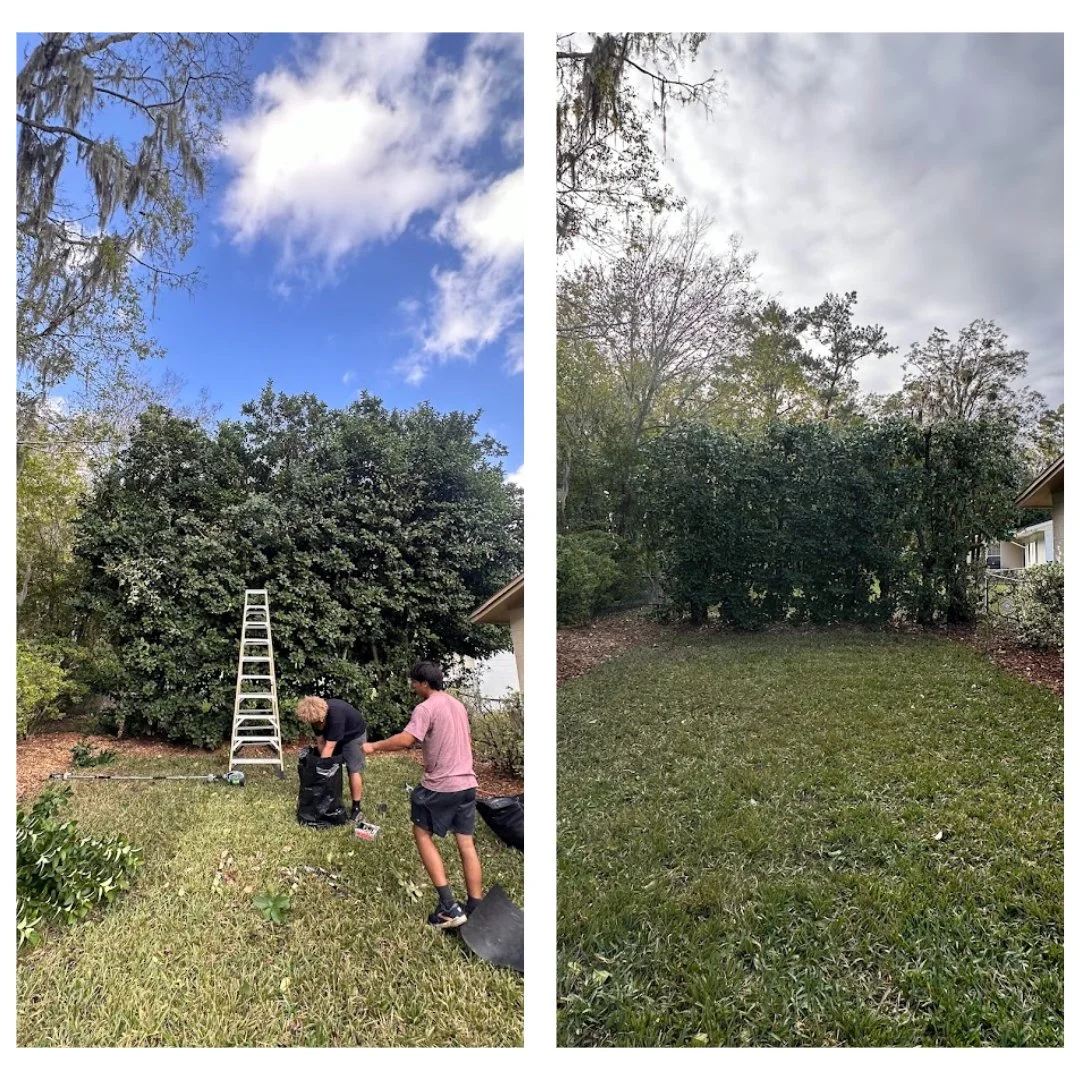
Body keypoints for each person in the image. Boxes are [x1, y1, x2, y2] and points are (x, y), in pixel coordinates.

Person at [363, 661, 483, 929]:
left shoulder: (426, 707)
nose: (413, 687)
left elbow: (407, 740)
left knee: (421, 832)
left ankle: (449, 907)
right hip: (467, 783)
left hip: (441, 785)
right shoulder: (457, 705)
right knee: (466, 843)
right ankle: (475, 905)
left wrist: (373, 746)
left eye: (414, 683)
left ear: (424, 684)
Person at [296, 695, 366, 823]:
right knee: (330, 765)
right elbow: (321, 743)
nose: (317, 725)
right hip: (335, 735)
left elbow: (329, 747)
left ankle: (356, 808)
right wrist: (324, 776)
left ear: (323, 715)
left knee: (353, 769)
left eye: (319, 722)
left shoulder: (336, 717)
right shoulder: (314, 717)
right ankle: (331, 795)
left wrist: (321, 775)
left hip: (354, 735)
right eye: (314, 723)